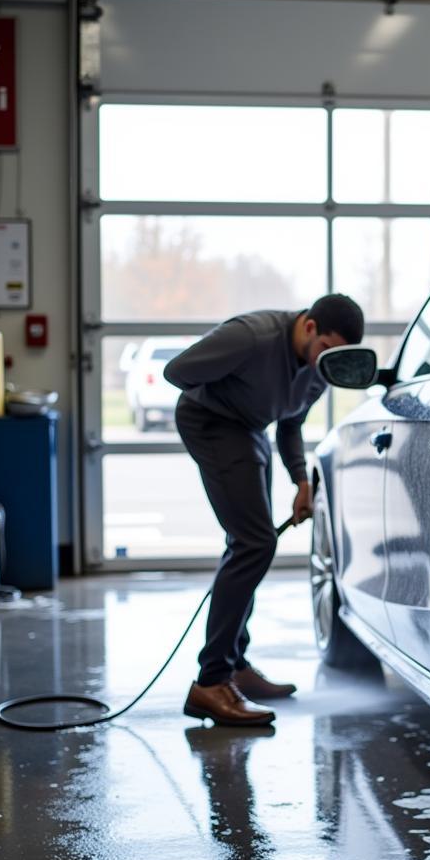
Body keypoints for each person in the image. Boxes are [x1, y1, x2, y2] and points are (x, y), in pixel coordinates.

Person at [164, 296, 364, 727]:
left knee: (249, 544)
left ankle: (234, 665)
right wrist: (224, 387)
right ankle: (210, 682)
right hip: (210, 420)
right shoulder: (251, 337)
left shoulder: (319, 368)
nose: (328, 363)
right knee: (255, 543)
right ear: (309, 327)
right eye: (327, 348)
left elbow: (291, 425)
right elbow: (176, 372)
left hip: (251, 431)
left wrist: (302, 483)